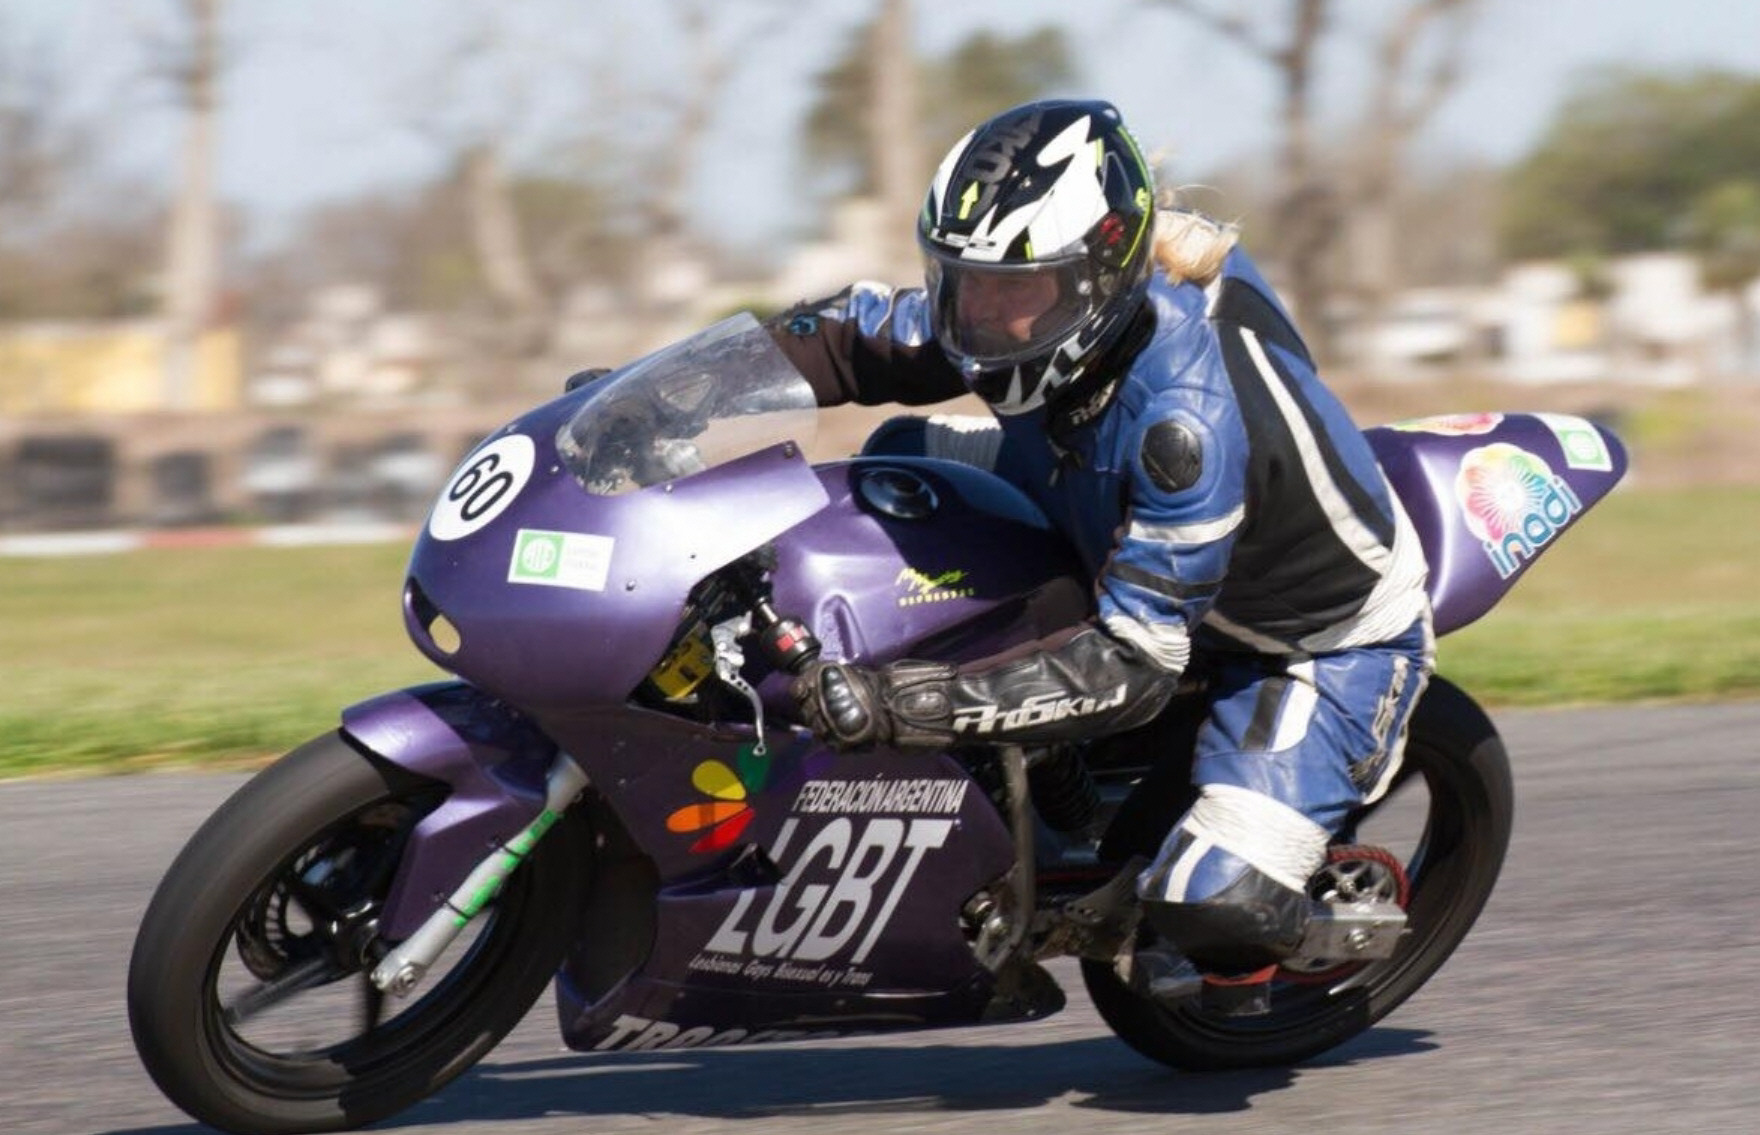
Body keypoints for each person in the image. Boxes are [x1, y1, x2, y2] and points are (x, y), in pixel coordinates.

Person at [769, 99, 1432, 1013]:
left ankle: (1281, 939)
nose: (980, 317)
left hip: (1310, 641)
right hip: (1092, 489)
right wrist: (666, 397)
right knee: (890, 472)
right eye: (963, 283)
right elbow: (849, 336)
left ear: (1097, 279)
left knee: (1216, 906)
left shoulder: (1185, 422)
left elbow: (1134, 663)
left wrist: (904, 703)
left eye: (1014, 290)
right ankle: (1016, 788)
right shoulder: (1022, 309)